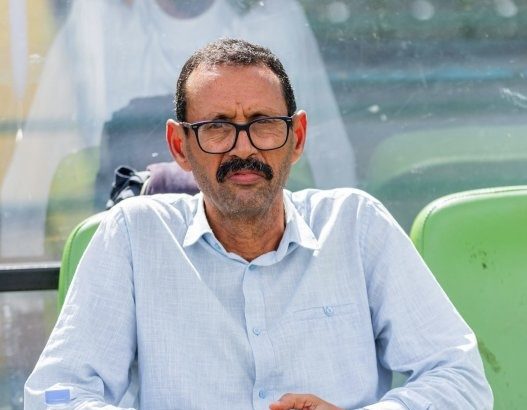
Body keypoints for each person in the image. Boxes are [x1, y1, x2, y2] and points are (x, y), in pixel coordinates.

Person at [24, 39, 492, 410]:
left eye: (263, 123)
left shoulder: (355, 225)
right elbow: (55, 395)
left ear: (297, 137)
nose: (243, 148)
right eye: (217, 127)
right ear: (180, 145)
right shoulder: (133, 236)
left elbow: (460, 379)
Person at [0, 0, 355, 259]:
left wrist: (333, 250)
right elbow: (39, 156)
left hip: (264, 235)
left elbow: (327, 150)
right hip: (131, 229)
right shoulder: (99, 20)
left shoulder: (273, 19)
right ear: (178, 143)